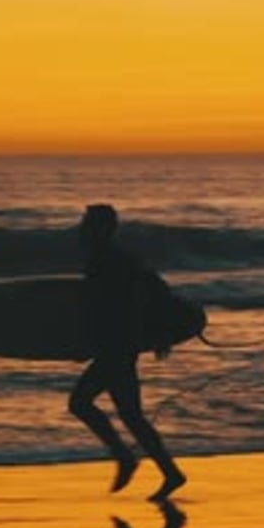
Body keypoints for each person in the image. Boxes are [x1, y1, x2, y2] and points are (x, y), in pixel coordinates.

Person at [68, 203, 186, 501]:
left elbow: (129, 304)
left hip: (117, 347)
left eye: (87, 224)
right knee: (131, 415)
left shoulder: (109, 261)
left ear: (101, 229)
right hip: (116, 346)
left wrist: (141, 338)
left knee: (80, 403)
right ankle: (169, 472)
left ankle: (125, 457)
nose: (82, 229)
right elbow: (103, 306)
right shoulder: (111, 259)